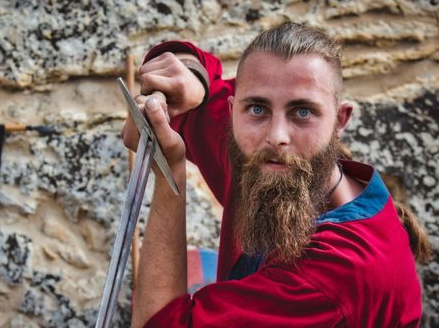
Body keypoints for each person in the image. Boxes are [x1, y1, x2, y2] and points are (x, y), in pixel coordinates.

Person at [121, 22, 431, 327]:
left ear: (340, 120)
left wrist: (168, 173)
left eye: (303, 112)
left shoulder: (335, 274)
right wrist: (194, 80)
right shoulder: (257, 155)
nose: (277, 136)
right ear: (232, 113)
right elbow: (183, 57)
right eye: (258, 108)